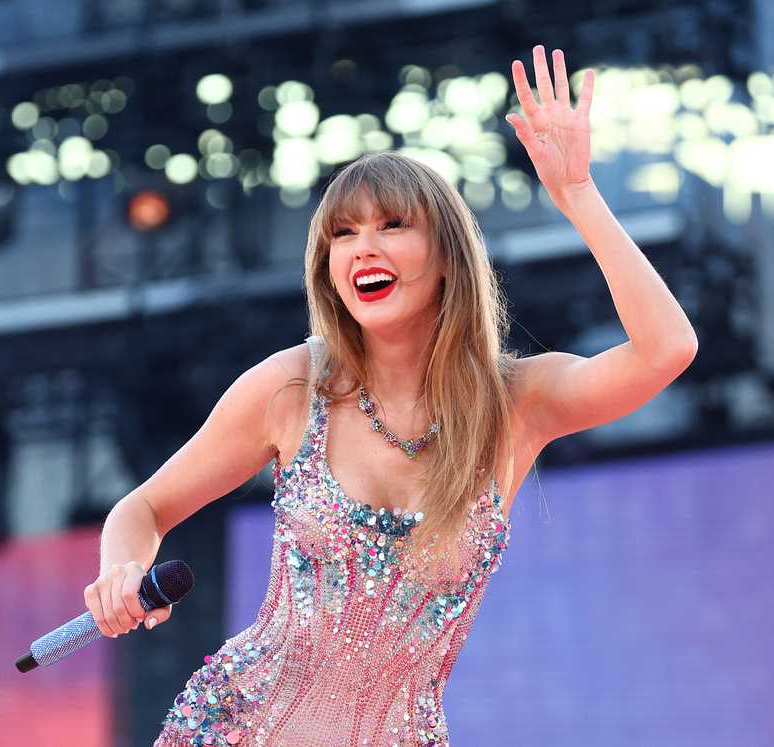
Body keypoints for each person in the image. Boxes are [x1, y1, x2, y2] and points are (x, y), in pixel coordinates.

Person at [87, 44, 698, 745]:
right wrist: (123, 570)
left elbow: (667, 350)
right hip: (235, 730)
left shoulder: (516, 403)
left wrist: (579, 196)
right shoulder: (293, 386)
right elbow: (145, 506)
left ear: (446, 256)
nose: (362, 248)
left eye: (391, 225)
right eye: (343, 234)